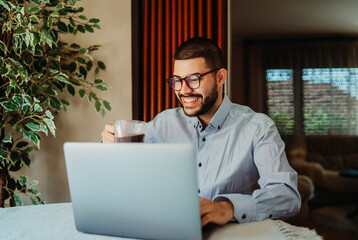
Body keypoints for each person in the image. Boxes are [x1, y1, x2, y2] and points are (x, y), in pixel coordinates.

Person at [101, 37, 301, 227]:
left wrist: (227, 208)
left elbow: (286, 195)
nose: (184, 90)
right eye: (177, 81)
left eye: (194, 79)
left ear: (220, 77)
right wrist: (109, 148)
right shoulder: (163, 123)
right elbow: (127, 170)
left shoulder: (258, 128)